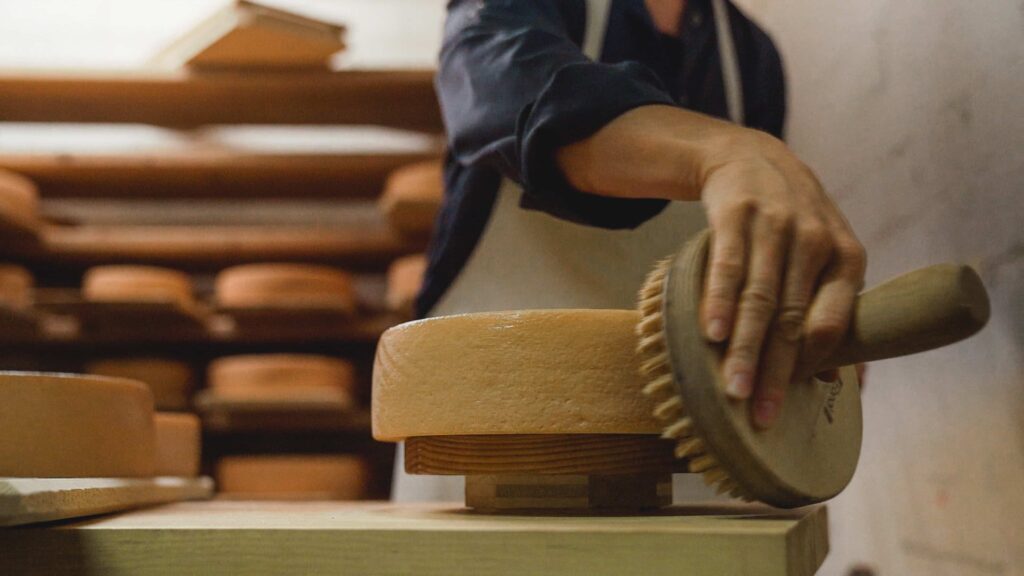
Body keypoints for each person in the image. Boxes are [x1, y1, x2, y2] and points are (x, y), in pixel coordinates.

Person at [393, 0, 866, 502]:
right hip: (490, 458)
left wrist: (792, 301)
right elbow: (517, 93)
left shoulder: (750, 54)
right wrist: (725, 151)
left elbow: (756, 240)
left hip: (696, 465)